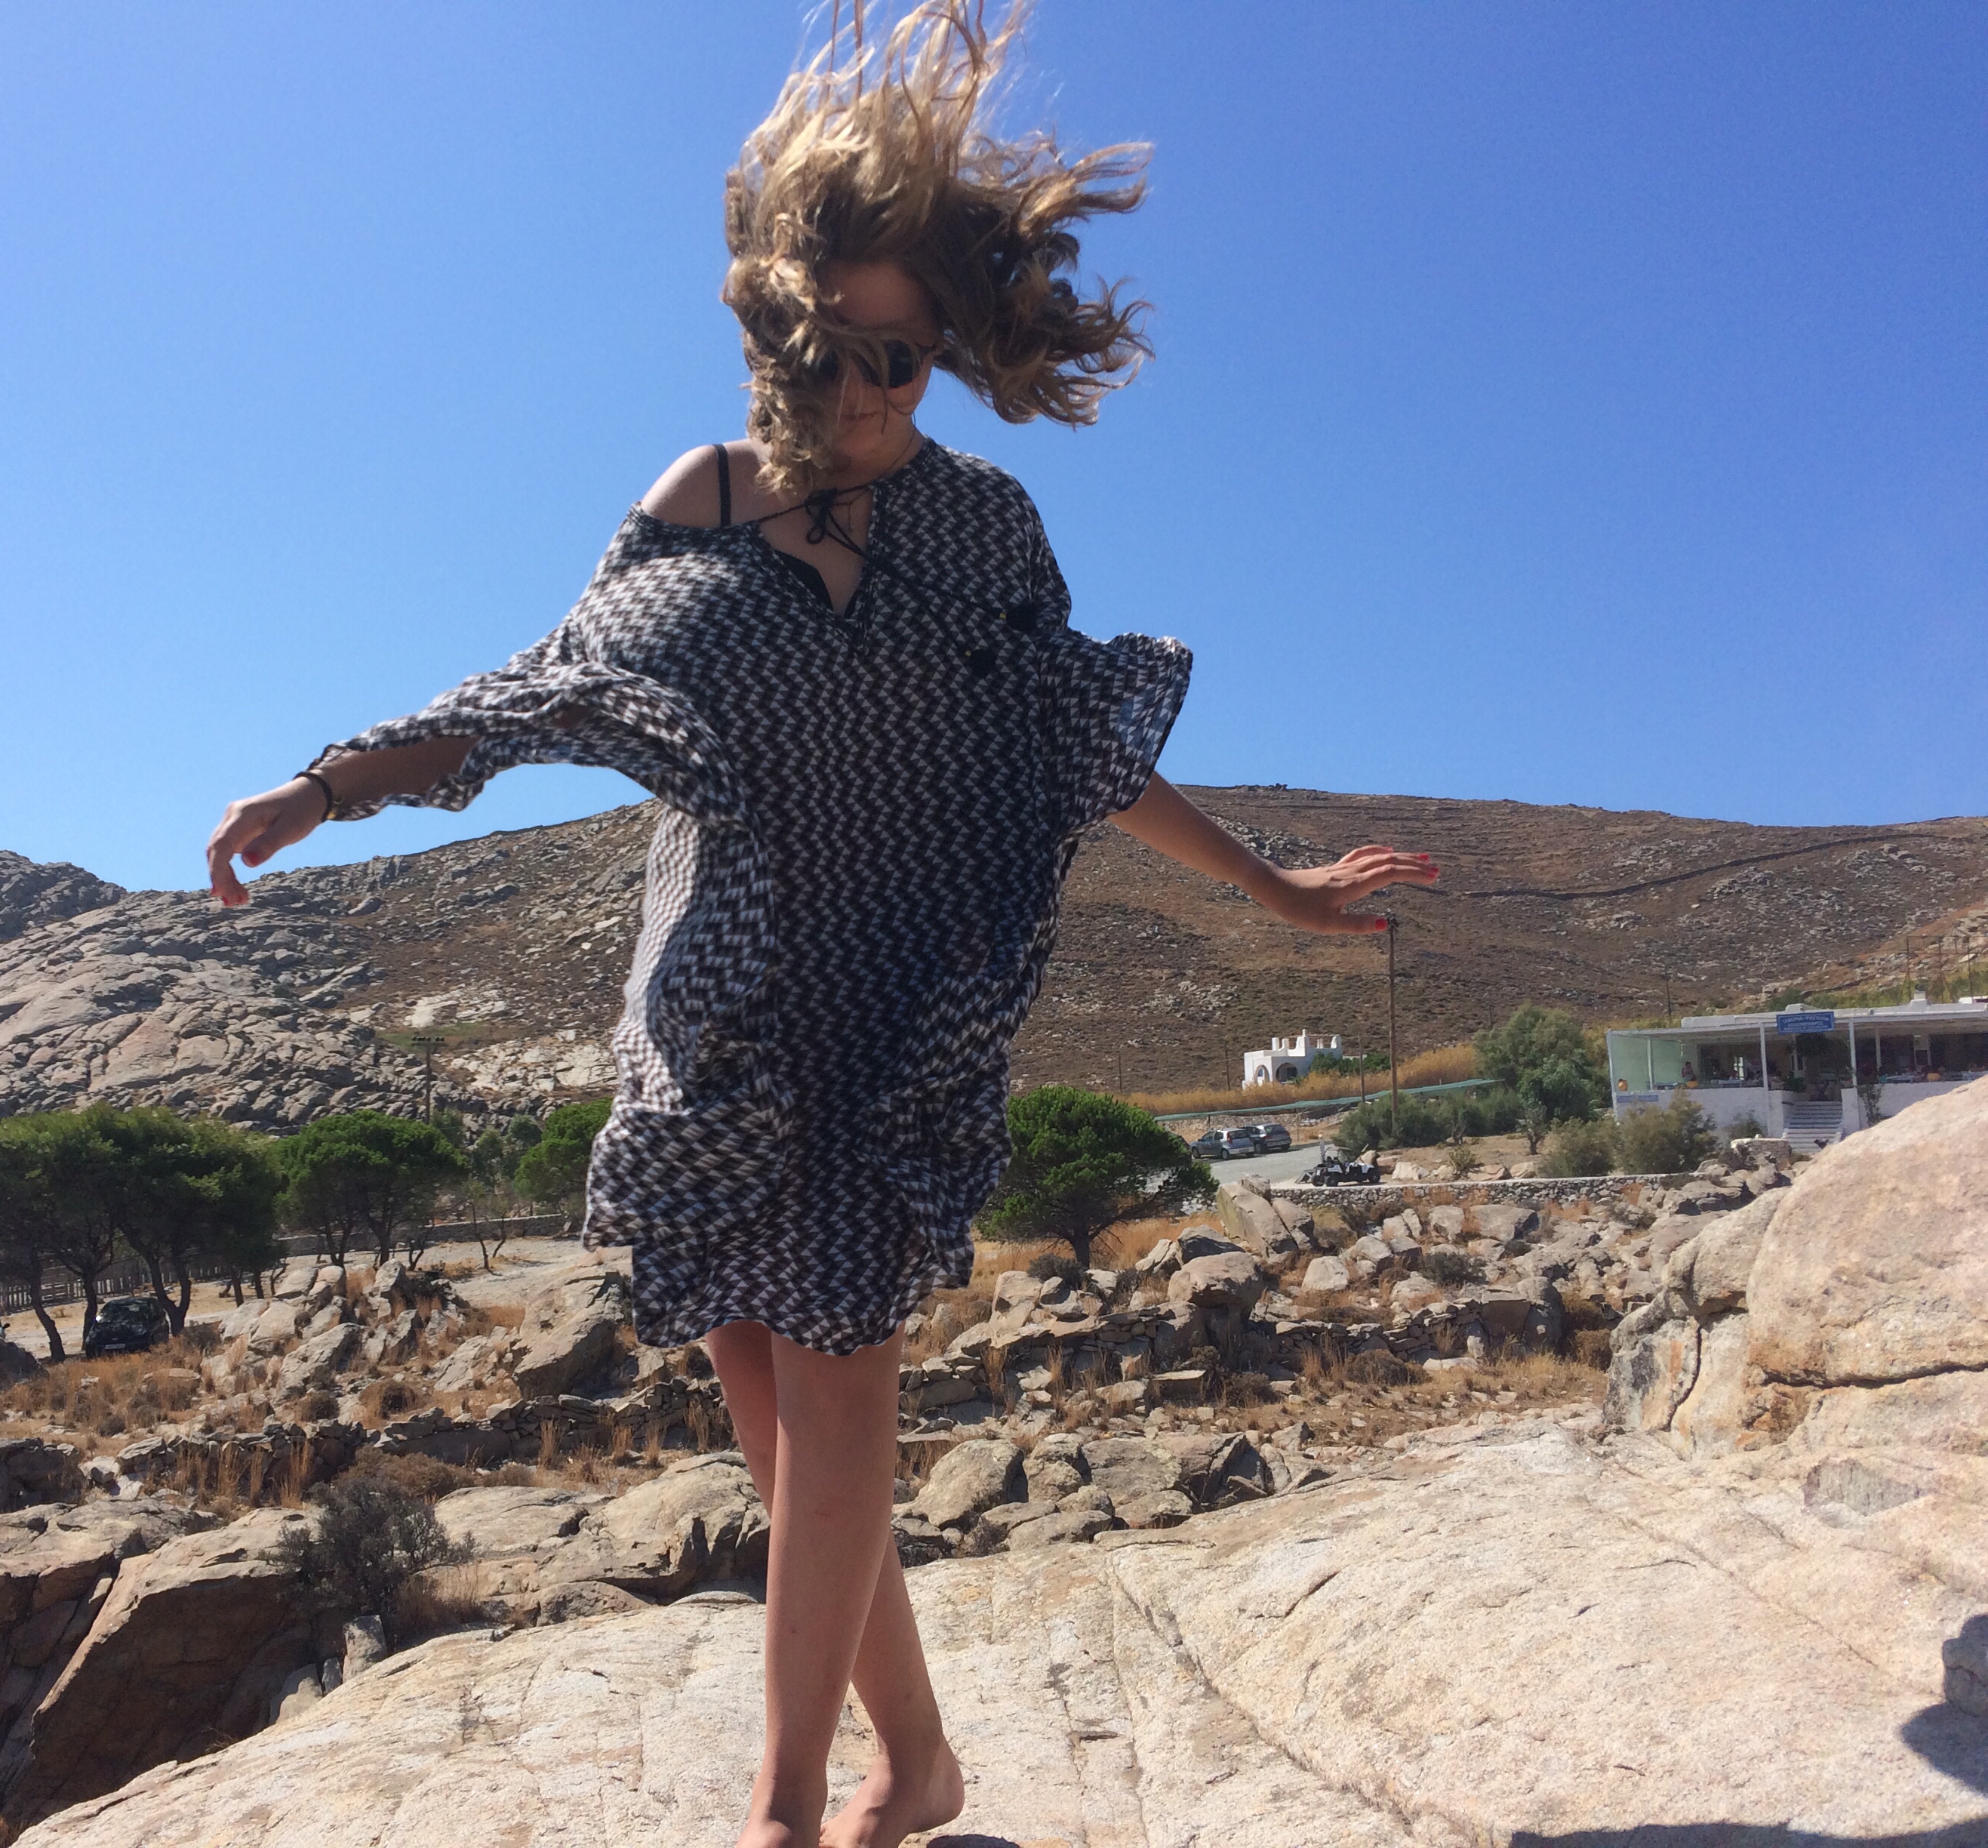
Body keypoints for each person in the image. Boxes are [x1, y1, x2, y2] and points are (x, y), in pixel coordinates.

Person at [206, 8, 1436, 1844]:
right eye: (837, 352)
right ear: (776, 329)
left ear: (948, 356)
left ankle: (784, 1809)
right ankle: (917, 1763)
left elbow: (1078, 746)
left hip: (893, 1012)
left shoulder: (984, 533)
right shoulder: (695, 505)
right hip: (721, 1012)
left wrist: (1272, 887)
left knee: (841, 1392)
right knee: (773, 1412)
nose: (869, 393)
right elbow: (543, 690)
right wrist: (327, 787)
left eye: (905, 360)